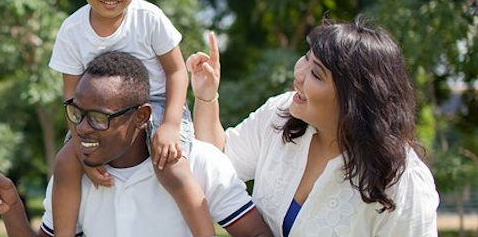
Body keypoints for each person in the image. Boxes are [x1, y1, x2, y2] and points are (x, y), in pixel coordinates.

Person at [0, 52, 272, 237]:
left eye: (98, 118)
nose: (81, 128)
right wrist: (12, 207)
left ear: (141, 116)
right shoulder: (73, 176)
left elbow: (256, 233)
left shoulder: (199, 162)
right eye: (77, 113)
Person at [186, 19, 439, 236]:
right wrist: (207, 96)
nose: (299, 73)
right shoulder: (279, 114)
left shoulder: (402, 180)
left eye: (316, 74)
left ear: (353, 99)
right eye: (306, 58)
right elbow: (217, 163)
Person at [47, 0, 209, 235]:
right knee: (65, 164)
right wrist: (82, 150)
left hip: (156, 103)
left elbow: (176, 72)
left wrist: (170, 125)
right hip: (95, 114)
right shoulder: (72, 31)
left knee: (170, 164)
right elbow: (72, 97)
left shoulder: (149, 18)